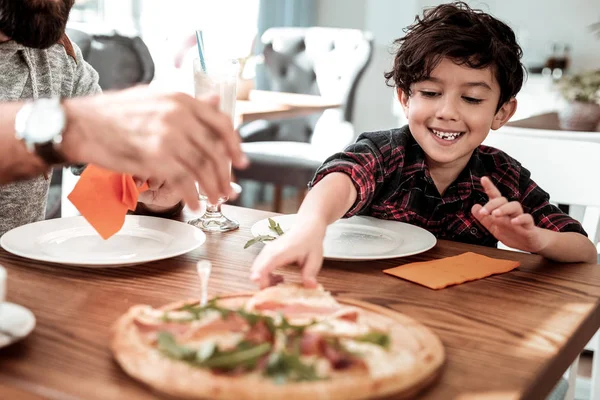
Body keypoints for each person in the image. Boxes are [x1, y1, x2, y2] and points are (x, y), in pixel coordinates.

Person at [250, 1, 598, 289]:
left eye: (473, 99)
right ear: (405, 99)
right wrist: (311, 226)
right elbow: (340, 179)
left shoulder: (502, 176)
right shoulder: (386, 152)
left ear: (502, 112)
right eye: (430, 93)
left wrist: (535, 240)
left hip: (465, 317)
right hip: (369, 300)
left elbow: (582, 248)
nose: (447, 112)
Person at [0, 0, 247, 236]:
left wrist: (156, 197)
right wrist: (75, 125)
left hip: (22, 275)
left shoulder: (60, 57)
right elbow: (83, 127)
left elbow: (116, 185)